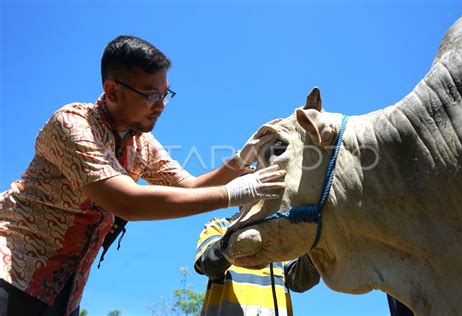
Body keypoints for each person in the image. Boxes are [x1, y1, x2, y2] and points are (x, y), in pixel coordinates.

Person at [0, 35, 286, 316]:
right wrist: (237, 192)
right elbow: (127, 202)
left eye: (165, 94)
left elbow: (190, 187)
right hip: (12, 271)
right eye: (151, 95)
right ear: (112, 91)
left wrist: (242, 158)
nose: (160, 105)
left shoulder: (141, 143)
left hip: (66, 294)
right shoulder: (73, 123)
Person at [194, 211, 321, 316]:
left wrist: (315, 244)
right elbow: (208, 264)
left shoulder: (280, 237)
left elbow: (300, 281)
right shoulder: (219, 225)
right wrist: (235, 242)